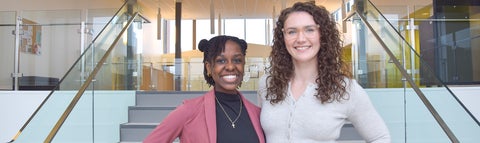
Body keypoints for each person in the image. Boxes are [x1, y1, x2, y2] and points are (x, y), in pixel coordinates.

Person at [258, 1, 391, 143]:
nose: (301, 39)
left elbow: (380, 138)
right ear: (283, 37)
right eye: (292, 31)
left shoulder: (345, 89)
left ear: (322, 34)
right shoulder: (268, 84)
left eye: (309, 30)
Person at [144, 35, 265, 143]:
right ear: (209, 67)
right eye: (221, 61)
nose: (230, 66)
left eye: (237, 60)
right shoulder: (189, 111)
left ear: (243, 65)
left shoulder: (257, 114)